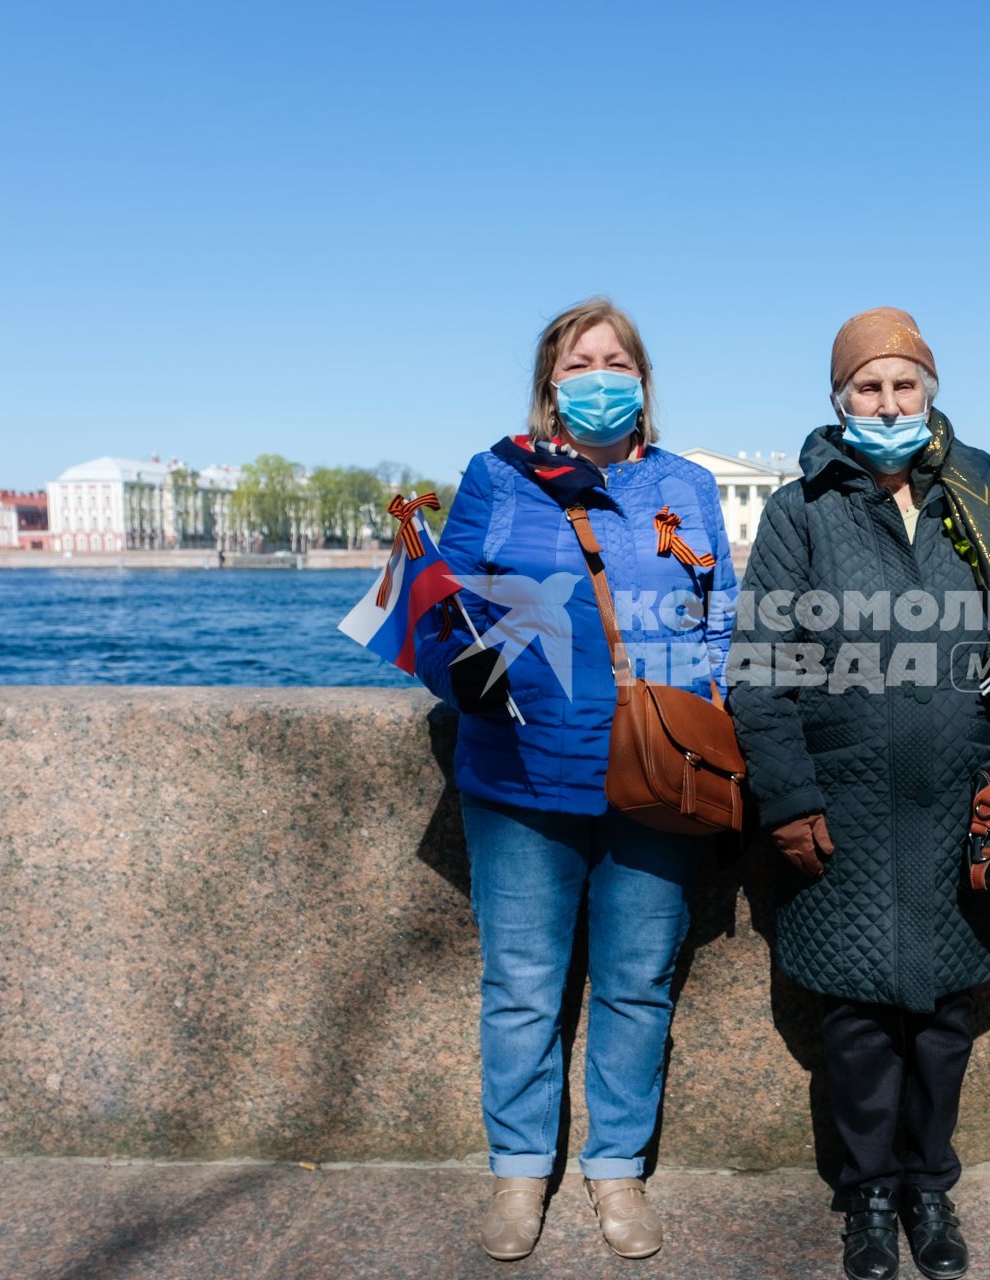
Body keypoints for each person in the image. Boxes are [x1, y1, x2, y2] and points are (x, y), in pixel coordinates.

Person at [728, 307, 990, 1280]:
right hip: (847, 805)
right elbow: (759, 666)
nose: (887, 401)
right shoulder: (803, 509)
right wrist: (787, 798)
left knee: (947, 1014)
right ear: (839, 399)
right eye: (867, 387)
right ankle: (867, 1193)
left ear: (930, 388)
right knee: (860, 1025)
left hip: (965, 797)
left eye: (903, 384)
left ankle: (929, 1184)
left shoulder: (983, 489)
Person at [413, 298, 734, 1263]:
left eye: (616, 361)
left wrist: (701, 699)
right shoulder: (498, 475)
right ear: (552, 386)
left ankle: (616, 1170)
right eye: (581, 363)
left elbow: (718, 615)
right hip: (518, 773)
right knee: (521, 986)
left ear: (642, 380)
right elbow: (443, 610)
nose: (601, 377)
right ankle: (519, 1172)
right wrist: (455, 664)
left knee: (637, 985)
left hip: (653, 771)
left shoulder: (687, 483)